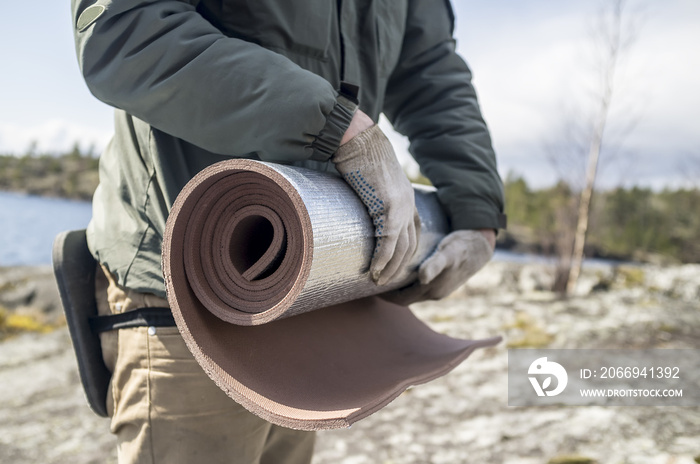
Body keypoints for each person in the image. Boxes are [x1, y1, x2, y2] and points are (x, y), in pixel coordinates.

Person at [70, 0, 506, 462]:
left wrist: (478, 213)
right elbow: (122, 32)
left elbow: (429, 75)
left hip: (311, 295)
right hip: (181, 293)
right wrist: (333, 126)